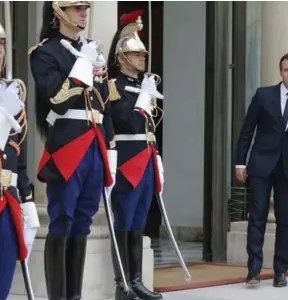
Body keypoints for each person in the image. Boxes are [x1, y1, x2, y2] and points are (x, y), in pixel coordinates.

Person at [29, 1, 118, 299]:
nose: (83, 13)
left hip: (94, 142)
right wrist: (83, 68)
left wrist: (109, 145)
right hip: (68, 143)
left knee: (83, 221)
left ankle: (74, 295)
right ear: (59, 12)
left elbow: (104, 100)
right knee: (62, 219)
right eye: (76, 8)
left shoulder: (92, 48)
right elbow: (58, 99)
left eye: (85, 8)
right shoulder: (45, 52)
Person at [234, 53, 288, 287]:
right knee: (257, 218)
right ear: (280, 71)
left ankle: (281, 271)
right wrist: (240, 162)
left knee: (285, 220)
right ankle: (253, 270)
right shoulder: (263, 95)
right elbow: (247, 130)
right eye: (286, 70)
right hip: (261, 165)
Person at [0, 3, 36, 299]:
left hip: (6, 208)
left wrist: (26, 199)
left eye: (1, 43)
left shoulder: (7, 92)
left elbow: (16, 155)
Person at [106, 10, 165, 300]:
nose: (143, 59)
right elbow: (127, 123)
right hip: (127, 162)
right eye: (137, 55)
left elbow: (149, 127)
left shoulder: (141, 86)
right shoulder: (114, 88)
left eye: (142, 55)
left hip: (145, 161)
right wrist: (143, 98)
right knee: (124, 222)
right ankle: (123, 284)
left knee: (139, 223)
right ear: (123, 58)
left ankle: (137, 280)